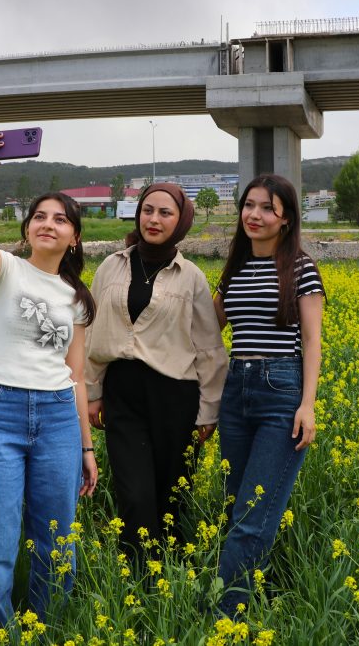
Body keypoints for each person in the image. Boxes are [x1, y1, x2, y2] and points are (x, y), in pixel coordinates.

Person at [0, 127, 98, 637]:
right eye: (40, 216)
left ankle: (46, 630)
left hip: (59, 417)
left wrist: (86, 447)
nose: (49, 224)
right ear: (26, 228)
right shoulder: (4, 271)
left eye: (61, 219)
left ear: (74, 237)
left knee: (58, 544)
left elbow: (77, 376)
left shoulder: (76, 297)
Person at [85, 183, 227, 556]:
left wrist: (208, 410)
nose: (154, 219)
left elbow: (209, 346)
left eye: (165, 213)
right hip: (123, 393)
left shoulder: (191, 276)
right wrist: (92, 393)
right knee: (135, 494)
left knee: (171, 494)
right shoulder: (111, 266)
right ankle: (136, 582)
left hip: (175, 396)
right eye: (148, 210)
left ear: (181, 221)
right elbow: (92, 335)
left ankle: (169, 581)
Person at [213, 174, 325, 616]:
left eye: (267, 208)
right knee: (234, 505)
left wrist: (307, 404)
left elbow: (313, 341)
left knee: (252, 512)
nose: (254, 215)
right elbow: (207, 326)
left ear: (285, 219)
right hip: (235, 389)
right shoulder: (236, 268)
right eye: (249, 205)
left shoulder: (301, 267)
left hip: (281, 391)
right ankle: (245, 595)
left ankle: (223, 616)